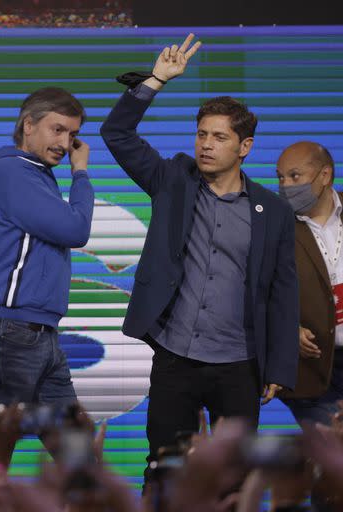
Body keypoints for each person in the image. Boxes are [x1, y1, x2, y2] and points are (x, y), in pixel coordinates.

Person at [100, 34, 299, 485]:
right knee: (165, 471)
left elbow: (283, 290)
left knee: (233, 479)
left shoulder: (274, 211)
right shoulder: (173, 179)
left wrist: (280, 366)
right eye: (202, 134)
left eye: (220, 137)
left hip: (239, 366)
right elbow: (117, 134)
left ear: (244, 147)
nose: (206, 144)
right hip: (176, 358)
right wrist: (156, 80)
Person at [0, 87, 94, 496]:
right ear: (28, 126)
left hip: (39, 336)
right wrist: (80, 174)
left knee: (79, 457)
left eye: (72, 135)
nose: (65, 144)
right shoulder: (14, 171)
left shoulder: (34, 174)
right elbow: (75, 229)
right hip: (7, 333)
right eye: (57, 129)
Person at [276, 142, 342, 428]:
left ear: (325, 175)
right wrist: (286, 328)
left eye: (294, 176)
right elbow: (255, 293)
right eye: (280, 177)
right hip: (312, 376)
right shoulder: (273, 227)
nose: (286, 185)